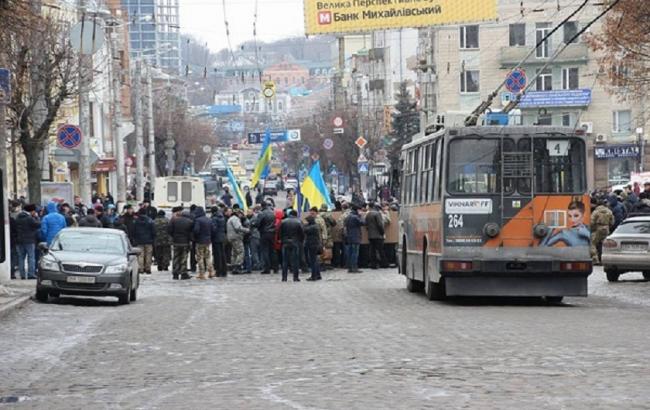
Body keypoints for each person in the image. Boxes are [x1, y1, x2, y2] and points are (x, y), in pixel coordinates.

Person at [14, 204, 41, 280]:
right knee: (31, 258)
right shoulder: (30, 218)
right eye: (34, 211)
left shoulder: (18, 217)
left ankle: (22, 275)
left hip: (19, 241)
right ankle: (31, 274)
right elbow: (38, 224)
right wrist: (37, 217)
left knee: (21, 258)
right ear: (31, 211)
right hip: (29, 241)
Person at [168, 206, 194, 280]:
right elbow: (191, 233)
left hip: (176, 242)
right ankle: (183, 273)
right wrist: (190, 240)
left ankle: (175, 273)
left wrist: (174, 236)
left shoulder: (173, 221)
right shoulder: (189, 222)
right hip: (185, 242)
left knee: (176, 258)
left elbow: (169, 230)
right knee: (184, 258)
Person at [279, 209, 304, 282]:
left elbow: (279, 232)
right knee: (295, 261)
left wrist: (282, 240)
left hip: (285, 242)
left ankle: (284, 277)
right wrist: (300, 241)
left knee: (285, 261)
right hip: (295, 242)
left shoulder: (283, 221)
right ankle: (295, 277)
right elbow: (302, 233)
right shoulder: (298, 222)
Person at [193, 206, 215, 280]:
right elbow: (213, 230)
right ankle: (211, 272)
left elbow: (196, 230)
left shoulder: (198, 220)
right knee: (208, 257)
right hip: (208, 241)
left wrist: (195, 236)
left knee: (200, 257)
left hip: (200, 241)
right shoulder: (209, 219)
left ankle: (201, 273)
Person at [590, 199, 614, 265]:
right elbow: (612, 222)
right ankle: (605, 259)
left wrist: (592, 229)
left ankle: (595, 258)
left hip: (598, 229)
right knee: (604, 244)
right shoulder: (609, 211)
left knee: (592, 243)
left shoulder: (596, 212)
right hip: (606, 229)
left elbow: (591, 222)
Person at [365, 203, 388, 269]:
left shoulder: (368, 214)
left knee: (372, 250)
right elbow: (380, 224)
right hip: (378, 235)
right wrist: (382, 232)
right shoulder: (377, 214)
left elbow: (366, 224)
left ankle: (373, 264)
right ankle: (384, 263)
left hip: (370, 235)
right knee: (381, 250)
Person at [133, 208, 156, 274]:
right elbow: (154, 231)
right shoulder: (150, 220)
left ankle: (141, 269)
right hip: (149, 241)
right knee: (148, 255)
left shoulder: (136, 221)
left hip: (139, 241)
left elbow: (133, 231)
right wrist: (152, 238)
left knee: (140, 255)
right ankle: (148, 268)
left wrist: (135, 238)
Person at [227, 208, 249, 274]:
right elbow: (238, 227)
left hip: (231, 238)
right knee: (241, 252)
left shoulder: (231, 218)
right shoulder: (235, 219)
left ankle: (233, 266)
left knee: (234, 253)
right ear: (238, 213)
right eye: (241, 214)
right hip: (236, 238)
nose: (241, 216)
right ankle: (237, 267)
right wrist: (246, 230)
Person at [344, 205, 365, 273]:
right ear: (357, 210)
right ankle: (354, 268)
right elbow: (363, 223)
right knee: (355, 253)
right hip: (355, 237)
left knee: (350, 253)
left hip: (349, 237)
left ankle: (350, 268)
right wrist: (361, 216)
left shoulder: (348, 217)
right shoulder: (355, 217)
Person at [257, 201, 277, 274]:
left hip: (264, 233)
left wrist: (256, 226)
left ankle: (267, 268)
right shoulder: (272, 212)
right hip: (272, 233)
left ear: (262, 206)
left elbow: (257, 223)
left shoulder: (261, 213)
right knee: (272, 251)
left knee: (265, 251)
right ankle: (275, 268)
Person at [211, 205, 228, 277]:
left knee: (217, 255)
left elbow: (214, 229)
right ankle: (224, 271)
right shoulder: (222, 217)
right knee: (223, 254)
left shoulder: (214, 218)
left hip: (216, 238)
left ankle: (219, 271)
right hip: (222, 237)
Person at [304, 215, 322, 281]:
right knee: (315, 260)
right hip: (315, 244)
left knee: (312, 261)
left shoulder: (312, 227)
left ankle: (313, 276)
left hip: (312, 245)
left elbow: (304, 230)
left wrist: (304, 225)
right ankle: (318, 275)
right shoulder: (315, 226)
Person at [331, 202, 347, 268]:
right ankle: (343, 263)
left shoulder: (332, 213)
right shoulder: (343, 213)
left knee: (336, 250)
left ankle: (336, 263)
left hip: (335, 234)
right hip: (342, 234)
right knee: (344, 250)